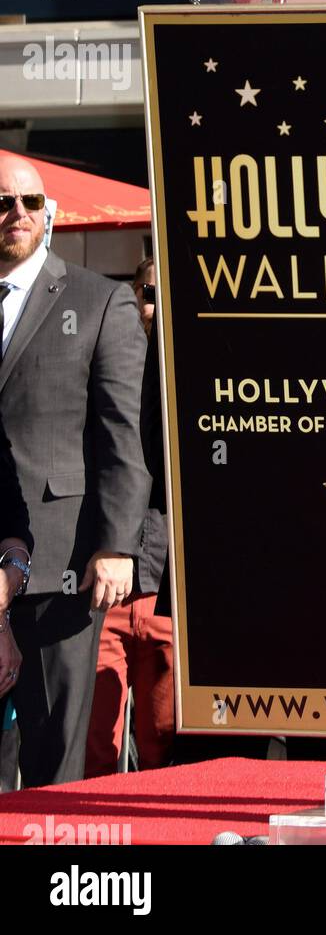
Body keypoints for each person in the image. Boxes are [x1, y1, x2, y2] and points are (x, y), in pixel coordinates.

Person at [0, 153, 150, 786]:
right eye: (5, 202)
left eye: (32, 203)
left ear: (50, 214)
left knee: (52, 754)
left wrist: (117, 546)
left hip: (62, 564)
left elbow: (124, 436)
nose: (18, 214)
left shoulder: (99, 300)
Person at [84, 258, 174, 778]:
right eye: (146, 293)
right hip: (102, 590)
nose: (155, 308)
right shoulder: (98, 370)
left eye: (166, 298)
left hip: (163, 584)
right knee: (94, 742)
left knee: (163, 742)